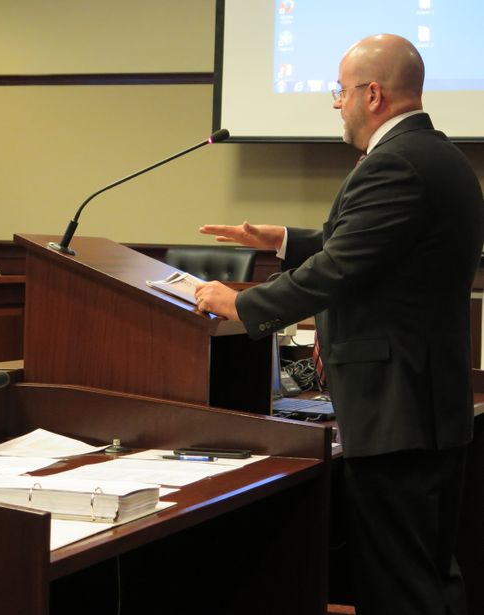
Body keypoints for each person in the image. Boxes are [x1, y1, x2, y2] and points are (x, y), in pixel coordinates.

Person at [195, 34, 483, 615]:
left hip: (397, 409)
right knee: (424, 576)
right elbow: (369, 246)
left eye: (340, 91)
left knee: (401, 588)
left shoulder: (395, 163)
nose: (335, 103)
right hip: (424, 406)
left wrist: (239, 304)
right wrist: (281, 239)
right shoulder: (440, 157)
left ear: (373, 93)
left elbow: (339, 268)